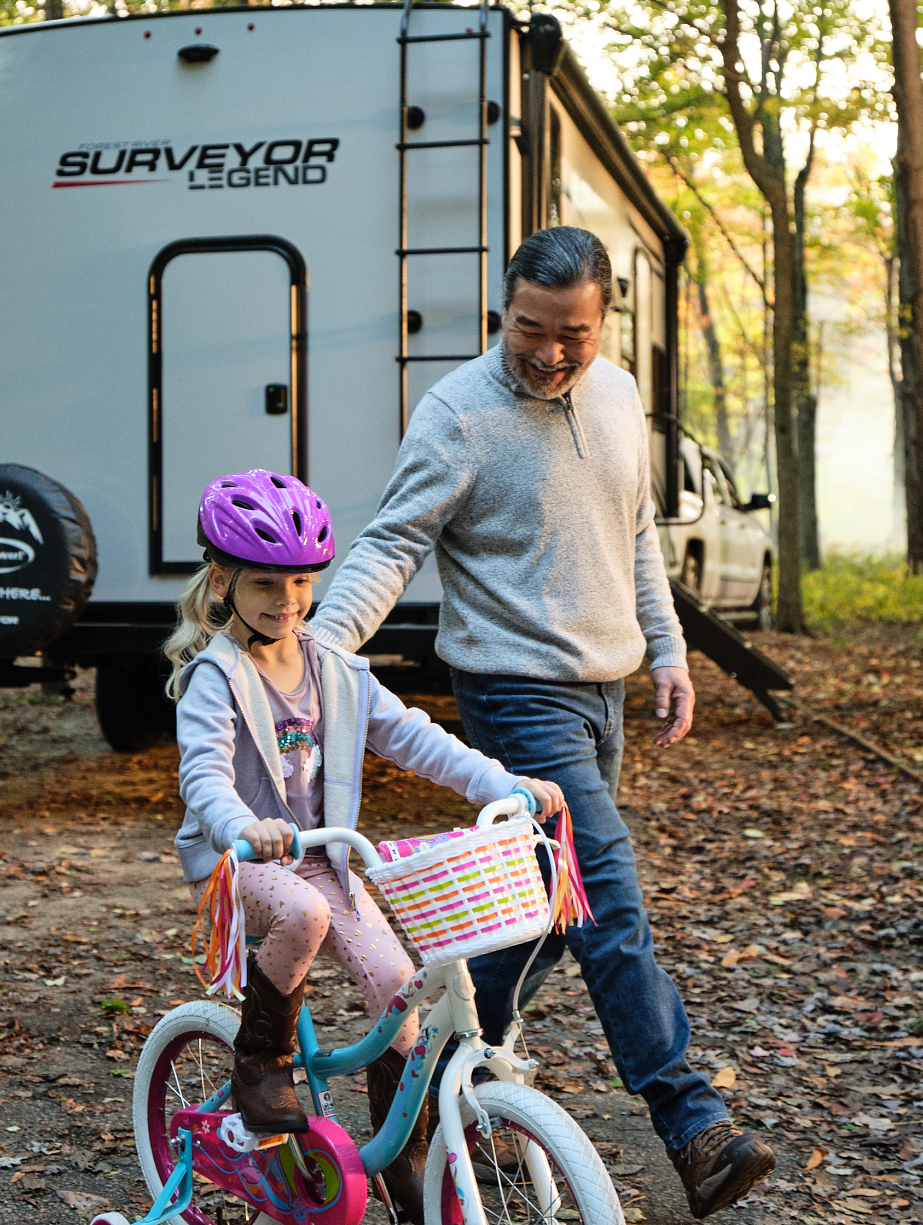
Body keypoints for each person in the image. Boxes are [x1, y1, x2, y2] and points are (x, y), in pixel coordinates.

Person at [310, 226, 775, 1218]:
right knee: (604, 898)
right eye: (530, 327)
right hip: (517, 700)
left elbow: (635, 531)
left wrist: (666, 649)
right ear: (502, 308)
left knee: (539, 922)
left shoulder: (612, 396)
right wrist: (316, 655)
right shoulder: (458, 415)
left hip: (600, 694)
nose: (549, 352)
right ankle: (689, 1123)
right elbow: (391, 541)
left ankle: (408, 1085)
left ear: (603, 320)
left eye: (573, 333)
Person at [169, 469, 563, 1221]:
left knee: (401, 992)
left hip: (325, 858)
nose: (286, 602)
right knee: (303, 919)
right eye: (265, 585)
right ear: (222, 580)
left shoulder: (338, 671)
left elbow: (414, 737)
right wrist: (241, 827)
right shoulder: (214, 677)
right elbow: (205, 778)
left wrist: (500, 783)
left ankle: (398, 1161)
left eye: (301, 584)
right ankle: (260, 1061)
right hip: (242, 862)